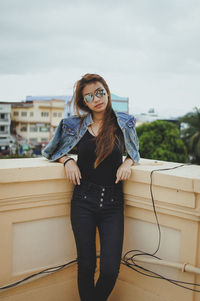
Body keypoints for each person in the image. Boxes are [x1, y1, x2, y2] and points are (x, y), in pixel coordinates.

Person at [42, 73, 140, 301]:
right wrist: (67, 161)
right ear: (83, 102)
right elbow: (50, 151)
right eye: (89, 96)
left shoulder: (124, 122)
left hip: (113, 204)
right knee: (85, 266)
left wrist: (127, 162)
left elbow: (134, 152)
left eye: (100, 92)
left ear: (106, 92)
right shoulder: (72, 125)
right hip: (83, 201)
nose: (97, 99)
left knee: (109, 269)